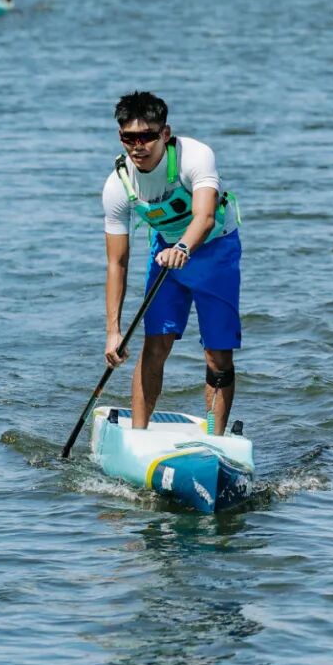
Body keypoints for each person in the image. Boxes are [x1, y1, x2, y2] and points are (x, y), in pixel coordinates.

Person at [101, 91, 242, 434]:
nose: (138, 146)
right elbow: (117, 263)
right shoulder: (117, 186)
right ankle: (138, 436)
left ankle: (215, 439)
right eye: (129, 138)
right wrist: (113, 332)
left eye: (147, 136)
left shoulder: (196, 156)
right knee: (155, 344)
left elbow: (205, 217)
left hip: (216, 252)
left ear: (165, 133)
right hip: (165, 254)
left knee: (218, 354)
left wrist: (183, 247)